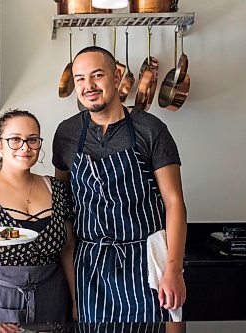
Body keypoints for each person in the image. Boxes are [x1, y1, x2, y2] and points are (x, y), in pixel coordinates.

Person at [52, 46, 187, 323]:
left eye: (97, 75)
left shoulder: (150, 129)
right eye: (79, 78)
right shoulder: (67, 133)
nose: (88, 86)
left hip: (145, 265)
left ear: (116, 78)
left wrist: (173, 269)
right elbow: (62, 202)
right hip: (90, 267)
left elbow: (174, 203)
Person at [0, 109, 76, 324]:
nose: (25, 147)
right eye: (15, 140)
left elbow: (68, 248)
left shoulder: (55, 188)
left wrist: (76, 299)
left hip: (52, 295)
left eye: (32, 140)